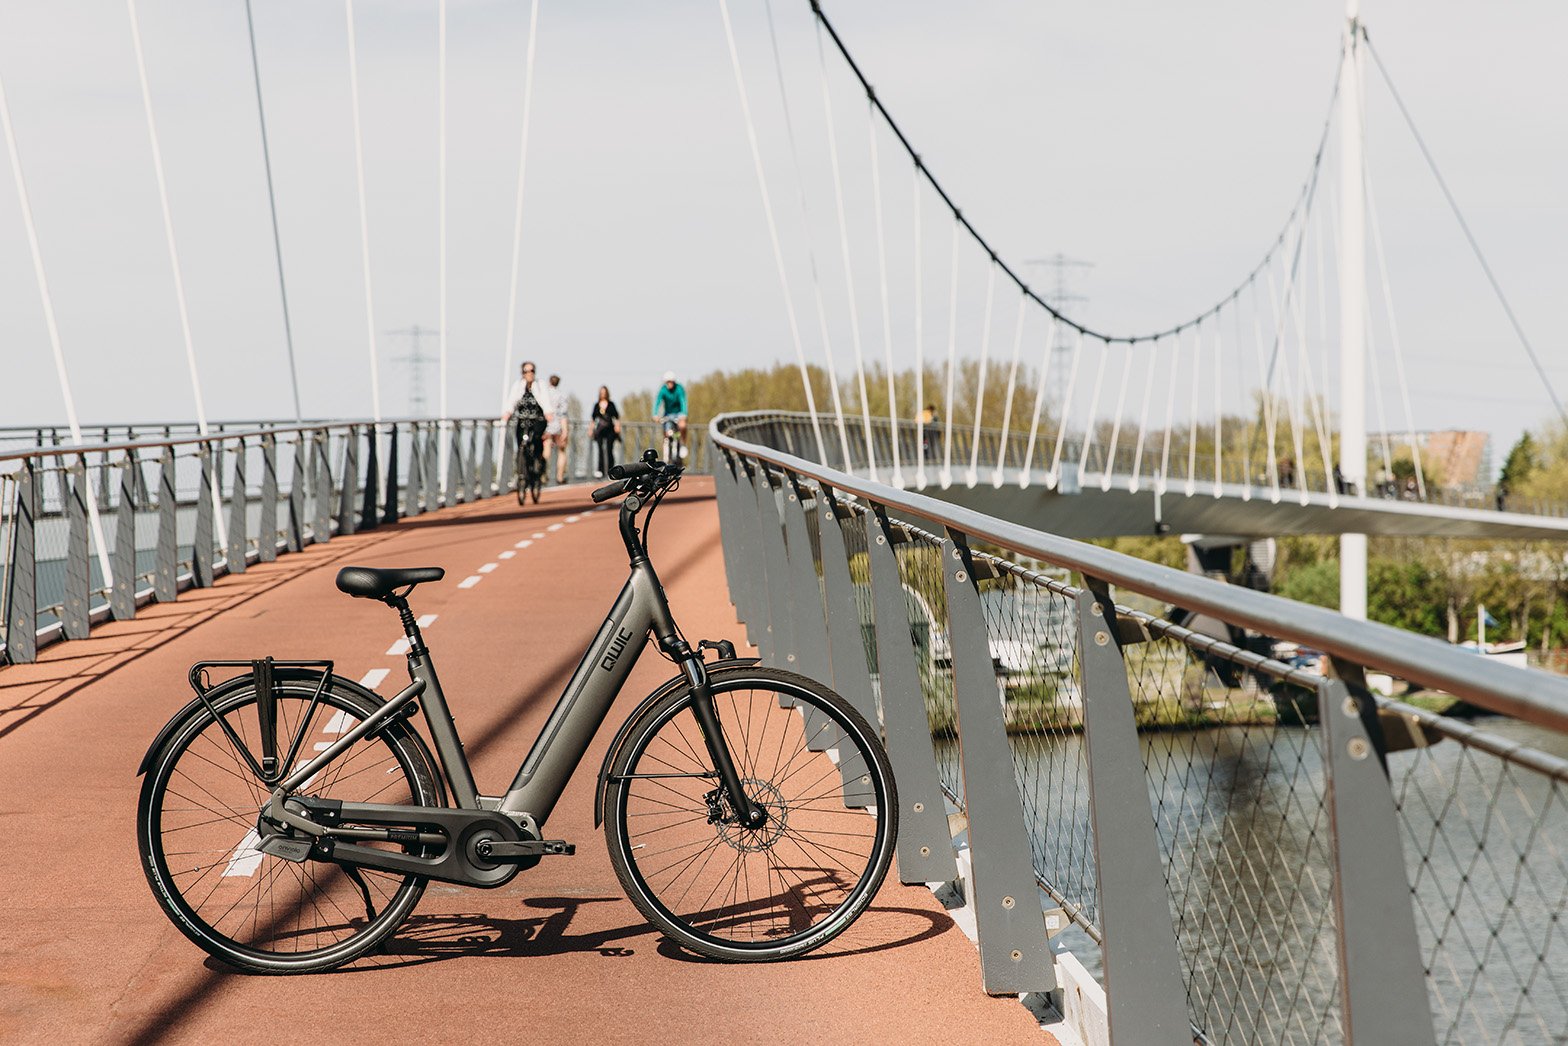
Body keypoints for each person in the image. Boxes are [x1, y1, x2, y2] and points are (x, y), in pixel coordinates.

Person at [502, 361, 552, 490]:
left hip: (538, 419)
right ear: (522, 373)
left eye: (532, 371)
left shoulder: (540, 385)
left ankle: (539, 463)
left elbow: (546, 400)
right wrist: (507, 413)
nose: (529, 374)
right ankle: (522, 473)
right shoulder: (518, 386)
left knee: (536, 438)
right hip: (523, 419)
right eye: (526, 371)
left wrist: (548, 413)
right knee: (520, 445)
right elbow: (512, 400)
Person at [653, 371, 688, 460]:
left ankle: (683, 444)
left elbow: (683, 401)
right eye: (668, 382)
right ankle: (666, 456)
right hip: (668, 413)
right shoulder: (663, 390)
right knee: (666, 433)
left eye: (671, 382)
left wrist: (684, 414)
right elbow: (657, 402)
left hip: (679, 413)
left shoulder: (679, 389)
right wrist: (655, 414)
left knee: (682, 426)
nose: (670, 384)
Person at [545, 374, 571, 484]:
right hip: (558, 426)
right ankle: (559, 476)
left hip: (547, 426)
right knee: (562, 451)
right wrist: (565, 430)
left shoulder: (545, 394)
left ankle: (543, 474)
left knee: (546, 448)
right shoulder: (561, 395)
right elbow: (563, 414)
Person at [591, 385, 621, 478]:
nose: (603, 394)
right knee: (600, 450)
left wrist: (617, 426)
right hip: (600, 430)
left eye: (604, 392)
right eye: (601, 392)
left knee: (609, 450)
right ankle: (600, 470)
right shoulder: (596, 405)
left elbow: (616, 417)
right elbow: (593, 418)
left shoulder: (611, 404)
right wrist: (591, 429)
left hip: (610, 430)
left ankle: (611, 470)